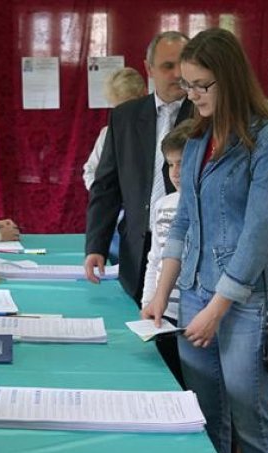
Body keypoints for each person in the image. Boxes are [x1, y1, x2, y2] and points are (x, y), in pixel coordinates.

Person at [142, 28, 268, 453]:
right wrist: (159, 295)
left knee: (252, 422)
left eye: (201, 85)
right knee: (207, 418)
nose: (192, 95)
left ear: (229, 79)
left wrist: (217, 308)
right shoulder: (195, 140)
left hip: (245, 303)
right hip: (192, 295)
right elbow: (183, 223)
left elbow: (257, 236)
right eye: (187, 85)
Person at [84, 31, 192, 303]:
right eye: (168, 66)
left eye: (183, 63)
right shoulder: (125, 116)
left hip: (188, 251)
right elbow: (106, 186)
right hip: (136, 249)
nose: (178, 73)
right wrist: (96, 245)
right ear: (149, 69)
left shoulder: (205, 114)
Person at [141, 125, 189, 322]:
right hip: (164, 311)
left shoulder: (208, 208)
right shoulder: (162, 204)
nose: (175, 173)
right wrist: (147, 302)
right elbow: (154, 258)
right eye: (170, 164)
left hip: (194, 311)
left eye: (181, 163)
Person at [82, 67, 146, 190]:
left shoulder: (162, 126)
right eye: (118, 108)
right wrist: (103, 195)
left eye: (129, 106)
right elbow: (90, 171)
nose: (125, 114)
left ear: (144, 94)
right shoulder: (108, 133)